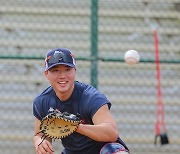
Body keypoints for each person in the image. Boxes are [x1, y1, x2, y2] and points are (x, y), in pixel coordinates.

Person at [33, 48, 130, 154]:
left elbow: (111, 133)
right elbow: (40, 134)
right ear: (46, 74)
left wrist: (76, 127)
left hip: (103, 149)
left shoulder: (91, 97)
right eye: (55, 70)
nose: (62, 76)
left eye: (67, 69)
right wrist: (39, 141)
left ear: (75, 71)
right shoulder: (42, 101)